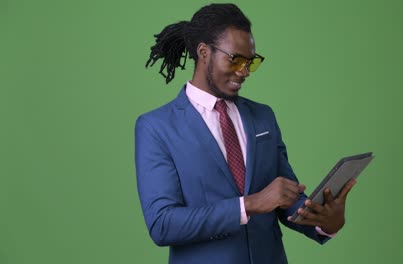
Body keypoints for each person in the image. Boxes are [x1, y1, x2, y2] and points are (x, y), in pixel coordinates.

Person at [135, 3, 356, 264]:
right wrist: (248, 204)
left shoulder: (263, 117)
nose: (244, 71)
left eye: (251, 62)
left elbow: (285, 198)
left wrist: (326, 222)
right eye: (236, 59)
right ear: (204, 52)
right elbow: (163, 224)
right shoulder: (157, 126)